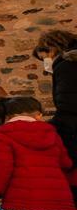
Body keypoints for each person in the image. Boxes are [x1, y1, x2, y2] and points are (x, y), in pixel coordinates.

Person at [32, 30, 77, 164]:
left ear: (51, 49)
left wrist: (50, 127)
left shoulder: (67, 66)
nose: (45, 64)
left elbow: (69, 104)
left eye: (44, 58)